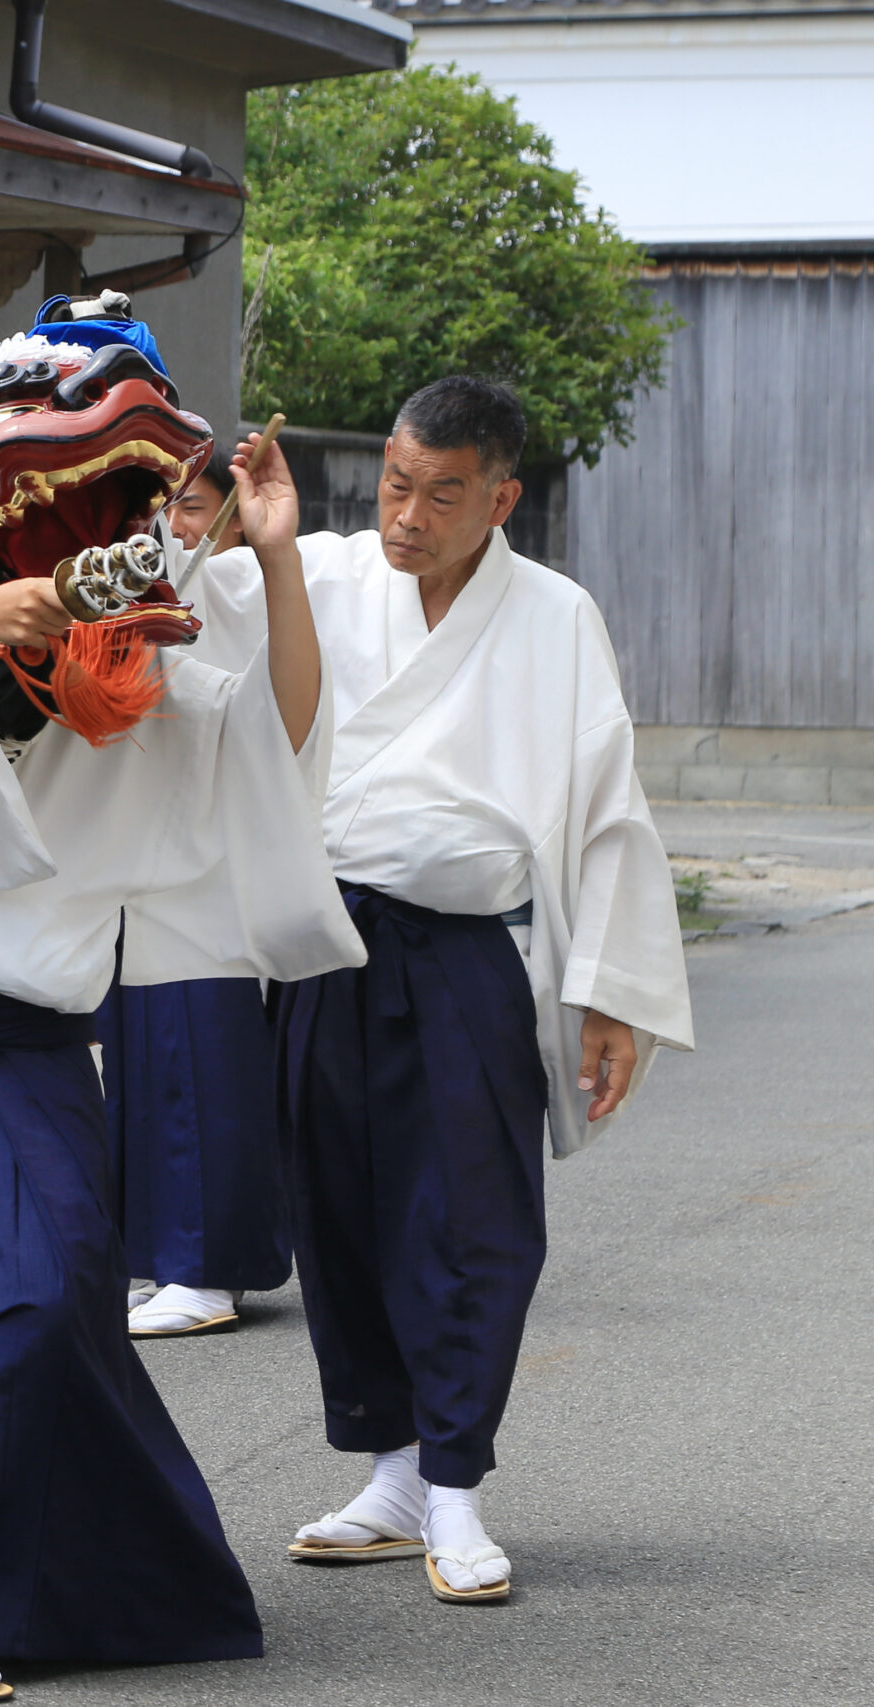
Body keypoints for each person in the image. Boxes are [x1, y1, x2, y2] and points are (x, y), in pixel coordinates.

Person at [0, 303, 365, 1700]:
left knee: (47, 1298)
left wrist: (275, 556)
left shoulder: (177, 597)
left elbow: (286, 736)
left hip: (27, 1041)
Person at [245, 377, 693, 1604]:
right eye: (395, 483)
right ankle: (392, 1471)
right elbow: (221, 672)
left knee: (471, 1221)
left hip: (464, 960)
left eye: (443, 494)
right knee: (336, 1213)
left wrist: (608, 994)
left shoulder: (553, 617)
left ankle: (454, 1486)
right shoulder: (320, 573)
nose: (408, 515)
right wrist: (247, 543)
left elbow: (608, 811)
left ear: (499, 497)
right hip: (331, 943)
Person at [92, 444, 289, 1338]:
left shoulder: (243, 576)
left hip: (207, 850)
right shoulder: (161, 574)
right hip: (146, 843)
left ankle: (209, 1265)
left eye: (196, 504)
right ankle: (164, 1253)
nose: (175, 526)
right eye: (159, 507)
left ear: (240, 513)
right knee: (144, 1059)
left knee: (200, 1056)